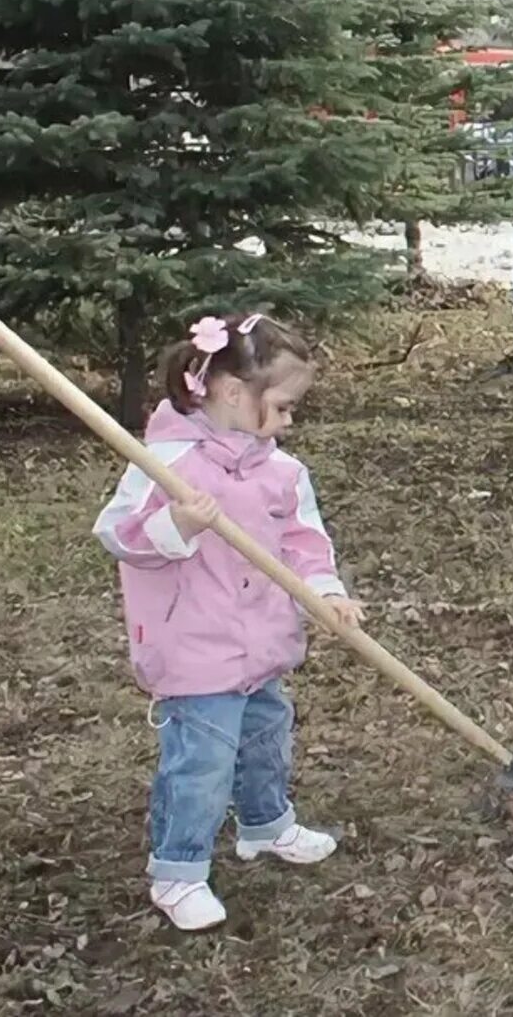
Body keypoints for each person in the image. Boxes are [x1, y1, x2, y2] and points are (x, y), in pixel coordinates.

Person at [94, 313, 363, 931]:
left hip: (261, 641)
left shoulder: (282, 471)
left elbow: (304, 542)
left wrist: (327, 592)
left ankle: (265, 826)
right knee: (201, 762)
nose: (291, 420)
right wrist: (177, 526)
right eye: (285, 406)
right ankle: (177, 871)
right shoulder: (165, 461)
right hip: (194, 646)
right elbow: (116, 533)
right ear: (235, 394)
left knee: (268, 737)